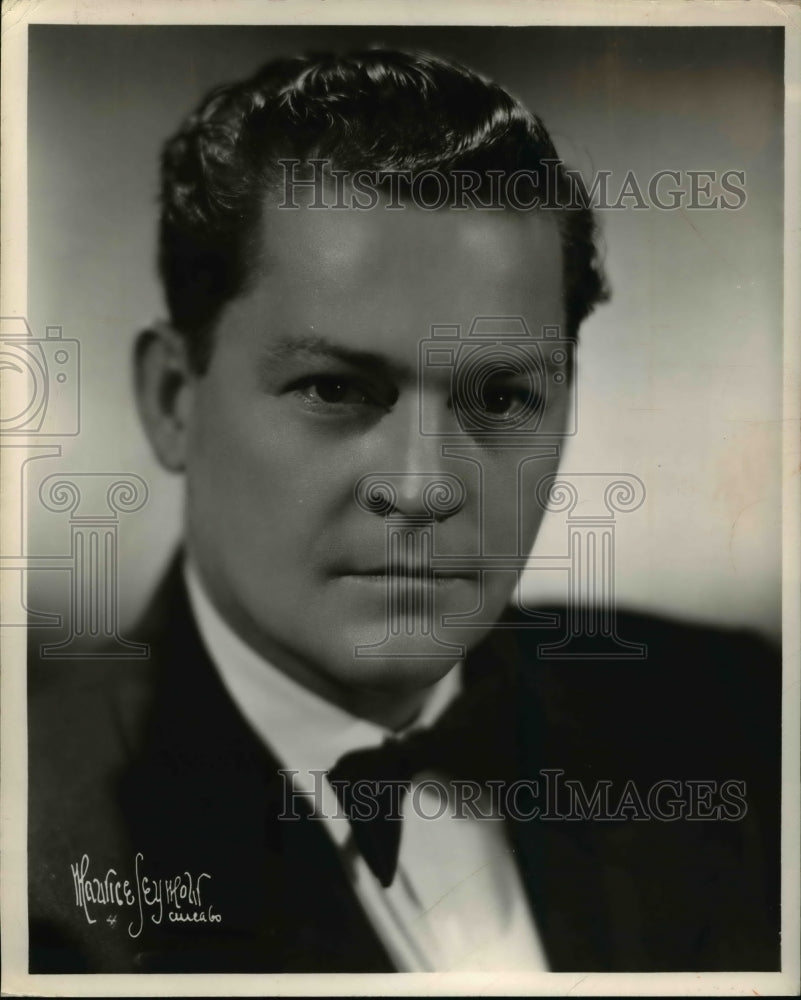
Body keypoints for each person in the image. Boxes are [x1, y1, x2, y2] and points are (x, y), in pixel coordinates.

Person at [28, 48, 780, 974]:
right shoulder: (31, 869)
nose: (423, 487)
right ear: (174, 398)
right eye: (334, 388)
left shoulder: (739, 723)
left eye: (501, 398)